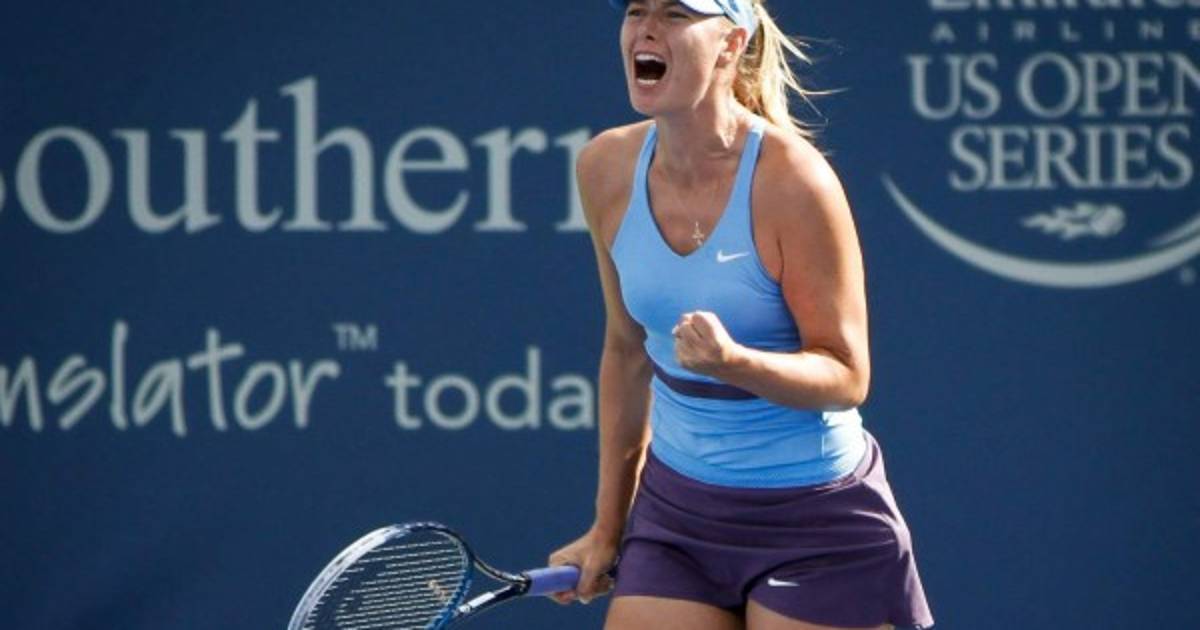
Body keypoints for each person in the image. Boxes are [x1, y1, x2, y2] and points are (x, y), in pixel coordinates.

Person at [549, 1, 934, 629]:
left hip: (815, 521)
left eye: (676, 14)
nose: (646, 28)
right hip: (677, 514)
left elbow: (846, 375)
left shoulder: (794, 182)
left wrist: (736, 363)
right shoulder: (604, 167)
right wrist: (606, 529)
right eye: (637, 10)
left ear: (730, 45)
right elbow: (625, 349)